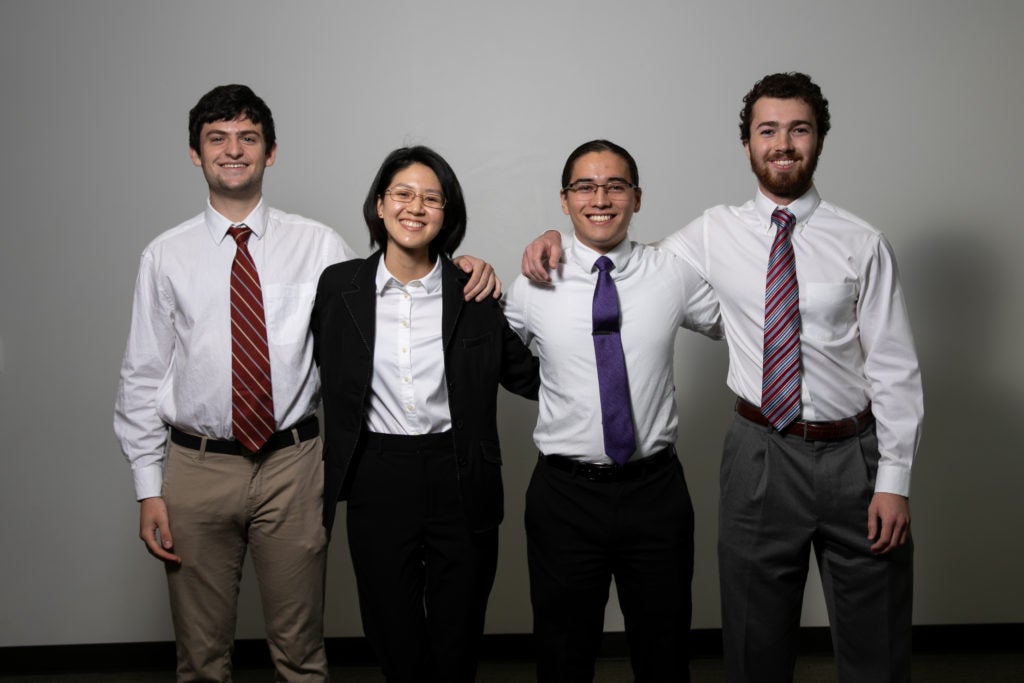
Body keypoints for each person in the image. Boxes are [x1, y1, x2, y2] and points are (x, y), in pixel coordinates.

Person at [523, 73, 923, 683]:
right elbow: (620, 253)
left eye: (798, 129)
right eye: (768, 130)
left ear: (818, 140)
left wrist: (893, 479)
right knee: (753, 642)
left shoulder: (862, 242)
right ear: (747, 146)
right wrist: (556, 240)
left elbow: (895, 366)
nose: (782, 143)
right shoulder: (711, 233)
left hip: (855, 458)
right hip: (759, 452)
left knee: (878, 645)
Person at [113, 85, 497, 682]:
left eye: (248, 138)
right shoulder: (164, 257)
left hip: (294, 464)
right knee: (200, 657)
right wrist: (147, 487)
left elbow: (395, 291)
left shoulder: (320, 248)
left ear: (271, 152)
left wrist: (462, 266)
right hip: (197, 468)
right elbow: (141, 375)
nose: (233, 150)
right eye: (217, 139)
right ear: (196, 154)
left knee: (300, 652)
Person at [311, 146, 540, 683]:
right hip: (377, 470)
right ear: (380, 205)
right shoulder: (339, 287)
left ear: (447, 214)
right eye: (403, 194)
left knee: (458, 629)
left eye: (431, 198)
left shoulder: (475, 291)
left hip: (460, 471)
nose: (416, 207)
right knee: (391, 627)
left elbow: (528, 377)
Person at [505, 140, 721, 682]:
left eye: (615, 186)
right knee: (562, 653)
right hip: (565, 496)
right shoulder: (535, 279)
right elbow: (488, 356)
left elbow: (745, 324)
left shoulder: (671, 273)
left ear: (637, 199)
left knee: (664, 648)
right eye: (585, 186)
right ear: (564, 200)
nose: (599, 198)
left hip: (655, 492)